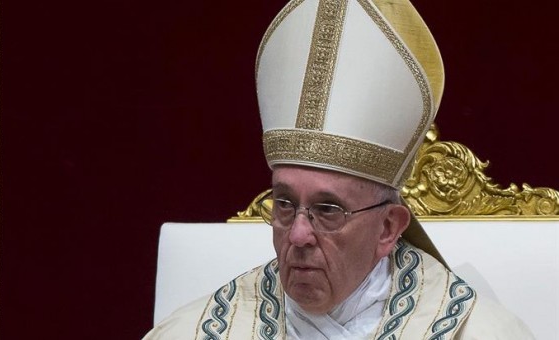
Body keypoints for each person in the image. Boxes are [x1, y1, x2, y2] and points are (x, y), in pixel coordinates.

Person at [143, 0, 535, 338]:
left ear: (388, 228)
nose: (297, 234)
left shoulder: (476, 332)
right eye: (284, 203)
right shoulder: (199, 331)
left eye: (328, 210)